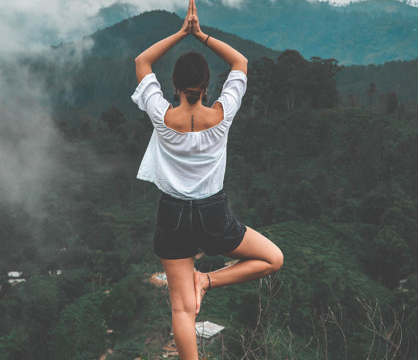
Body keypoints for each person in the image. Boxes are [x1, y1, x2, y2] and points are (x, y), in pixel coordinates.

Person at [131, 1, 283, 359]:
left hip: (171, 216)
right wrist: (202, 35)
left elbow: (141, 62)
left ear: (175, 84)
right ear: (207, 83)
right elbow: (241, 63)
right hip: (214, 216)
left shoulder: (161, 115)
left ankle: (201, 282)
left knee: (182, 311)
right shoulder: (222, 113)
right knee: (272, 259)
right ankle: (209, 280)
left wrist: (181, 32)